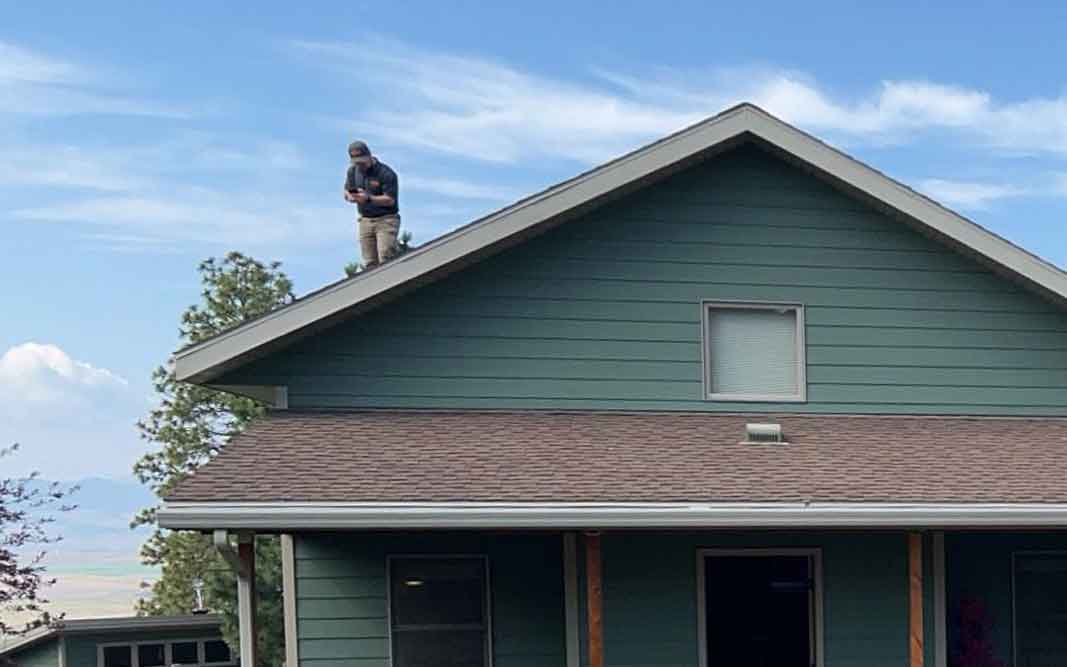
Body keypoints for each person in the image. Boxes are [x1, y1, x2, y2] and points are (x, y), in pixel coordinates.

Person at [343, 140, 400, 269]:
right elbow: (346, 190)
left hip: (386, 220)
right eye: (357, 162)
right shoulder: (352, 171)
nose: (360, 165)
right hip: (365, 220)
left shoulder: (385, 173)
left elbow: (390, 199)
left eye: (362, 162)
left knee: (386, 257)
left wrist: (368, 198)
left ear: (369, 156)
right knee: (369, 262)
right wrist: (350, 197)